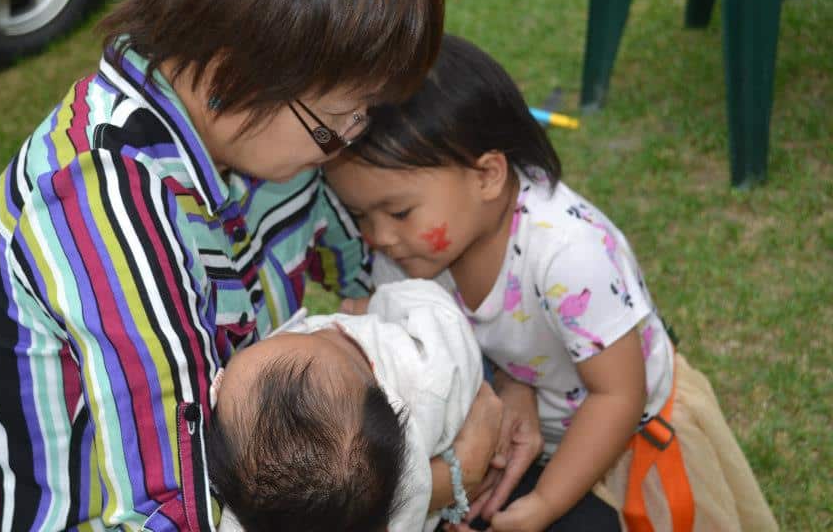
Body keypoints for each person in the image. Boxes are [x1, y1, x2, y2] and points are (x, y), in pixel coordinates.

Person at [0, 0, 459, 530]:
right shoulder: (108, 213)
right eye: (338, 122)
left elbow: (365, 269)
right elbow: (175, 510)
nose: (353, 139)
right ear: (233, 77)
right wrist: (436, 483)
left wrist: (465, 378)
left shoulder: (266, 138)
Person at [326, 34, 779, 532]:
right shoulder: (413, 250)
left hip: (625, 439)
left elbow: (618, 398)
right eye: (360, 215)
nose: (378, 236)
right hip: (536, 422)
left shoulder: (569, 255)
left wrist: (543, 504)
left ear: (488, 176)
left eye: (398, 211)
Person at [207, 279, 489, 532]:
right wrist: (376, 303)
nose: (320, 328)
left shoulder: (256, 508)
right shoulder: (426, 376)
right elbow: (442, 314)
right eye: (315, 335)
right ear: (376, 381)